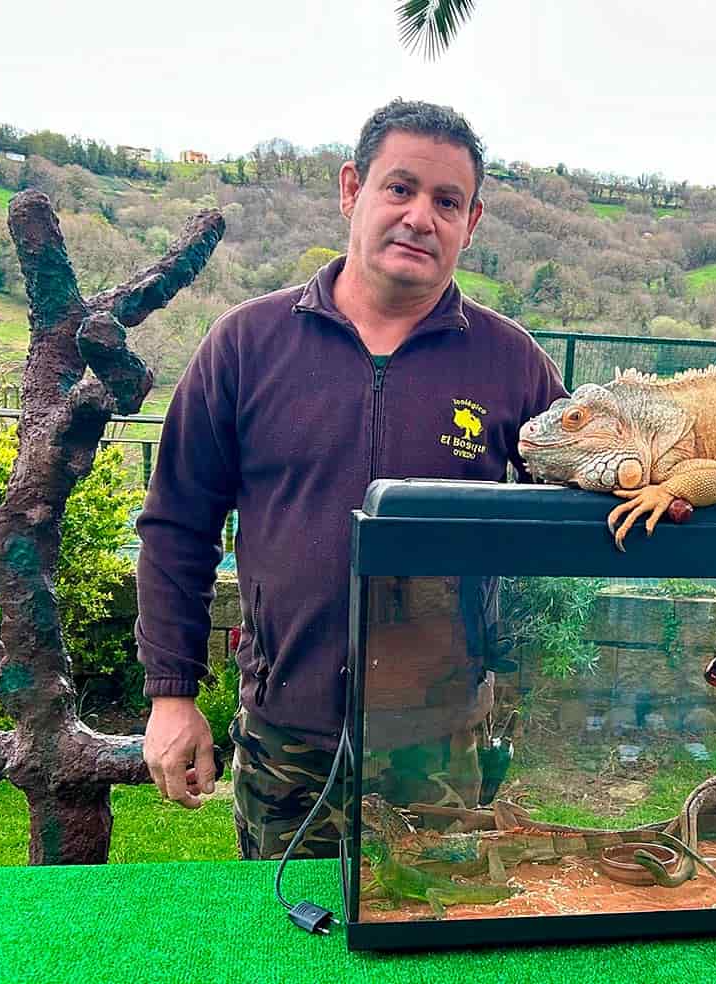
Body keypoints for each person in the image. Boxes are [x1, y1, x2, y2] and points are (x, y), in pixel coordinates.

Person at [136, 99, 568, 859]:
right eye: (399, 189)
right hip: (285, 736)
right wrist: (172, 694)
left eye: (446, 202)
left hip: (439, 740)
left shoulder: (511, 365)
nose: (420, 217)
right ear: (351, 190)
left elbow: (582, 503)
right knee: (287, 949)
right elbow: (178, 528)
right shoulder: (246, 345)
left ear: (472, 223)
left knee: (434, 942)